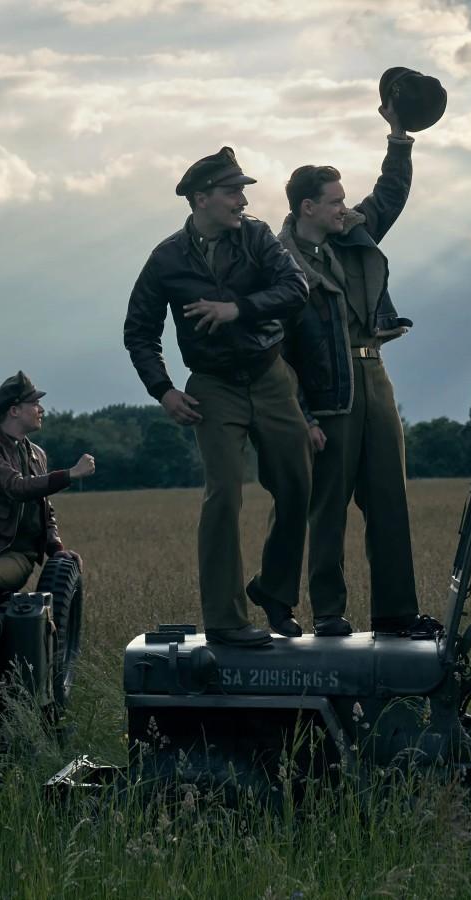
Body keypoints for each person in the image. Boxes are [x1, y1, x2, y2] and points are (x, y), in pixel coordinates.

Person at [123, 146, 312, 647]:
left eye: (244, 192)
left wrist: (238, 309)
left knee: (296, 484)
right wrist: (162, 391)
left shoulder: (257, 237)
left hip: (270, 376)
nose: (242, 201)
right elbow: (139, 332)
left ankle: (273, 591)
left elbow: (297, 289)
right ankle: (226, 621)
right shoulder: (165, 258)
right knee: (224, 495)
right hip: (213, 386)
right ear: (200, 198)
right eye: (233, 192)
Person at [280, 101, 430, 637]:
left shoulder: (351, 234)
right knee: (329, 509)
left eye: (345, 200)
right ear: (307, 208)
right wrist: (303, 416)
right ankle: (328, 612)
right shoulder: (279, 263)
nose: (344, 208)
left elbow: (390, 196)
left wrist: (398, 134)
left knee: (391, 499)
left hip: (375, 379)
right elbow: (279, 354)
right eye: (335, 201)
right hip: (326, 396)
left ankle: (396, 613)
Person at [0, 372, 94, 593]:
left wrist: (56, 547)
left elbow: (44, 509)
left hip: (17, 554)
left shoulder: (37, 453)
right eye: (34, 403)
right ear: (14, 411)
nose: (41, 410)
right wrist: (70, 474)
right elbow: (17, 487)